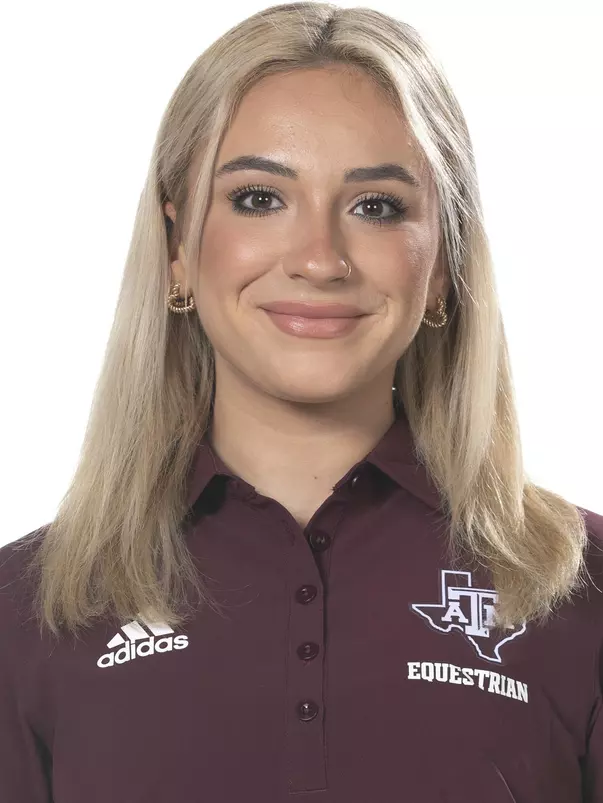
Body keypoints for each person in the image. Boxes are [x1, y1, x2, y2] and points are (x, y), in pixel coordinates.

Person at [1, 2, 602, 801]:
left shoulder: (585, 590)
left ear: (442, 267)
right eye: (259, 198)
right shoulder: (27, 611)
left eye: (375, 206)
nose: (319, 260)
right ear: (177, 247)